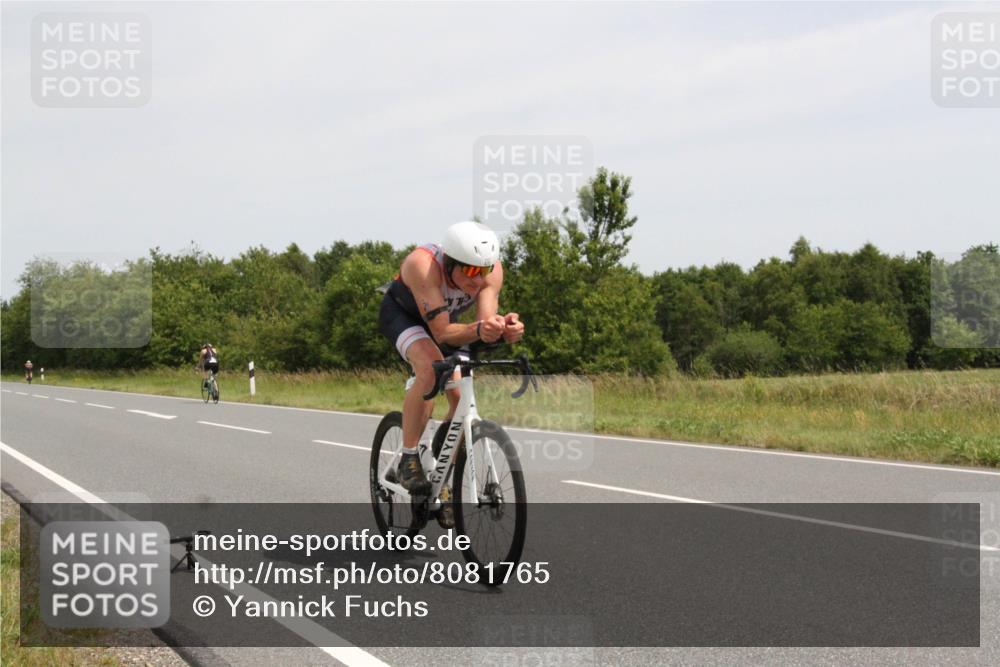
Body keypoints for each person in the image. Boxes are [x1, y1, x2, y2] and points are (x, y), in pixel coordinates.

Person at [377, 221, 525, 504]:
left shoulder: (491, 271)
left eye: (484, 271)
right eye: (470, 271)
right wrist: (480, 330)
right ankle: (409, 457)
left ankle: (441, 473)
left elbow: (484, 325)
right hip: (404, 317)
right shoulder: (423, 265)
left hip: (445, 323)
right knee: (431, 369)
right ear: (449, 263)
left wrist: (504, 330)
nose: (478, 280)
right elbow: (443, 334)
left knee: (459, 396)